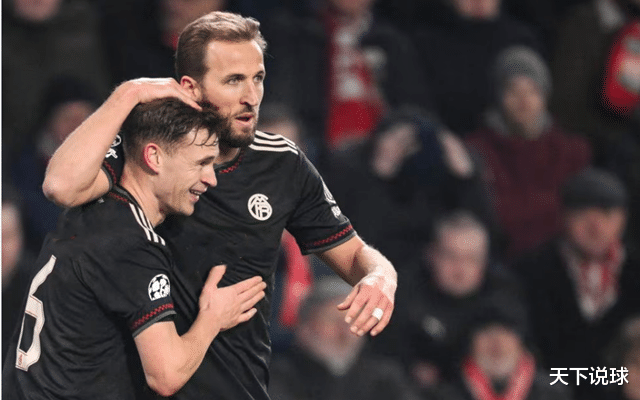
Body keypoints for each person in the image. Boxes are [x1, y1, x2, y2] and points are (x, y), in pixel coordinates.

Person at [43, 11, 398, 400]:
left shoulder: (283, 164)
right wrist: (129, 94)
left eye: (257, 78)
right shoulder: (148, 150)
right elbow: (62, 186)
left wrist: (381, 275)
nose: (251, 96)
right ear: (190, 88)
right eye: (233, 80)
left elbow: (353, 255)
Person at [3, 98, 267, 399]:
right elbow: (166, 375)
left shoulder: (89, 204)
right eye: (201, 163)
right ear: (153, 157)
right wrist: (212, 317)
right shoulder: (131, 244)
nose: (211, 178)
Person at [514, 168, 640, 400]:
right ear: (564, 217)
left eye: (606, 214)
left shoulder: (634, 270)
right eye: (583, 215)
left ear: (623, 219)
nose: (596, 227)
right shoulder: (531, 271)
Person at [370, 211, 521, 395]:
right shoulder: (401, 296)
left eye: (471, 259)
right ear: (431, 255)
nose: (460, 269)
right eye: (451, 256)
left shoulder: (503, 300)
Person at [465, 46, 591, 259]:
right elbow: (492, 217)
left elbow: (580, 218)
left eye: (533, 91)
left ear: (545, 96)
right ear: (498, 96)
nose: (523, 101)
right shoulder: (476, 149)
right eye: (513, 91)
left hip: (561, 260)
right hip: (501, 259)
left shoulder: (573, 151)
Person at [269, 277, 419, 400]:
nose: (345, 331)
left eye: (354, 320)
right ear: (305, 328)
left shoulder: (383, 378)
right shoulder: (276, 377)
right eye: (333, 320)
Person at [432, 303, 572, 400]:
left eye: (506, 333)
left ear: (521, 342)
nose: (497, 343)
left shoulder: (552, 393)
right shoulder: (443, 395)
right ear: (470, 344)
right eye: (487, 333)